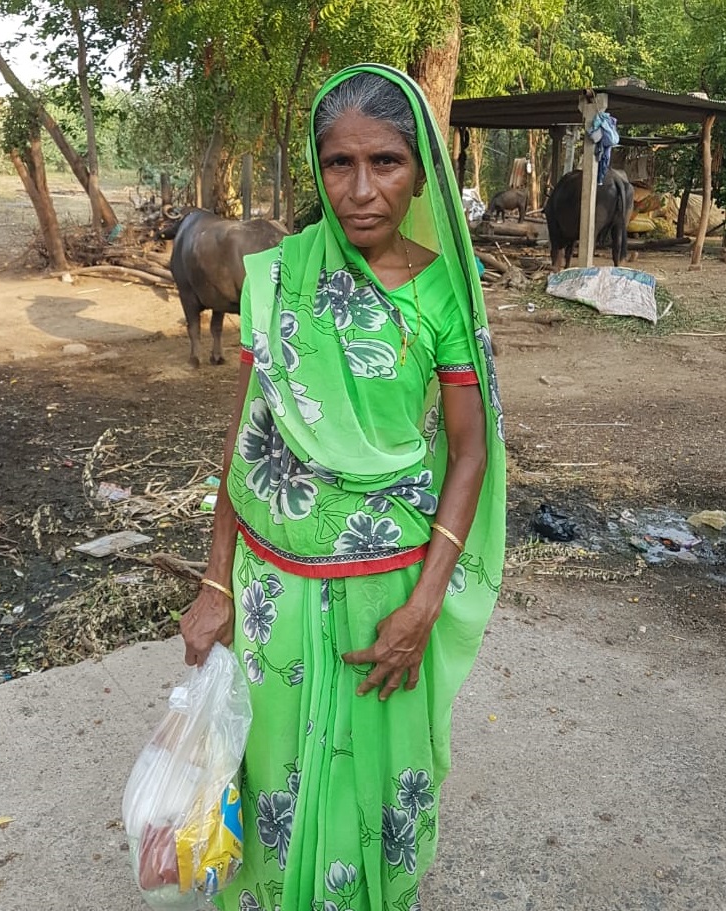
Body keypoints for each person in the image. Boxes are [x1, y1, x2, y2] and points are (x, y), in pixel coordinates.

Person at [179, 62, 507, 911]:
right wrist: (215, 584)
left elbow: (468, 455)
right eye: (338, 164)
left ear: (421, 169)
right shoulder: (277, 277)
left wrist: (424, 605)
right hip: (272, 589)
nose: (361, 190)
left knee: (378, 774)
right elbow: (248, 435)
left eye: (386, 163)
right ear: (316, 169)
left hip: (388, 592)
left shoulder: (442, 291)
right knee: (273, 767)